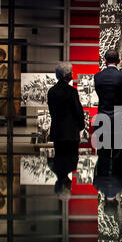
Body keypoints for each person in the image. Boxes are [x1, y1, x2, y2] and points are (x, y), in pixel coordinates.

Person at [94, 50, 122, 175]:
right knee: (119, 157)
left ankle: (103, 181)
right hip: (120, 122)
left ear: (105, 61)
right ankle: (118, 181)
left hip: (103, 121)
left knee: (103, 157)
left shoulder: (98, 77)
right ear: (118, 61)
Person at [47, 62, 85, 196]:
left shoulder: (51, 91)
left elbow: (52, 112)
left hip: (58, 133)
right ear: (67, 75)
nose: (72, 74)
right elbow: (78, 112)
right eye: (71, 72)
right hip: (71, 134)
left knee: (60, 158)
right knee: (70, 160)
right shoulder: (72, 92)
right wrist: (81, 125)